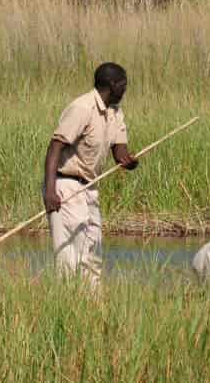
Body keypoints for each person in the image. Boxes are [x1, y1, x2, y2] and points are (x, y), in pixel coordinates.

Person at [42, 62, 138, 286]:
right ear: (112, 85)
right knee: (70, 257)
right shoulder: (82, 108)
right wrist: (50, 191)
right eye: (123, 85)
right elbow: (55, 147)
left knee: (92, 252)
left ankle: (93, 309)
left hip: (89, 188)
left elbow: (119, 150)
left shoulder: (115, 111)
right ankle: (68, 305)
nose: (125, 89)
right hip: (65, 186)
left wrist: (129, 161)